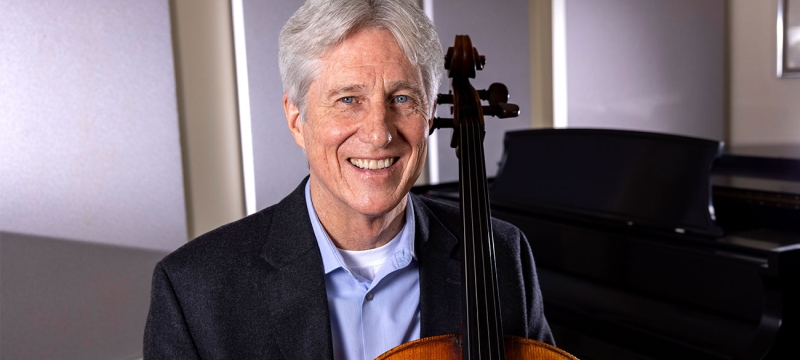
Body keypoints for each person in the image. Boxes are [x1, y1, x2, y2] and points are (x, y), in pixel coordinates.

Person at [143, 0, 553, 358]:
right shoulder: (194, 289)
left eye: (403, 99)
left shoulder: (502, 254)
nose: (378, 133)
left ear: (430, 115)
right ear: (296, 118)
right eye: (348, 100)